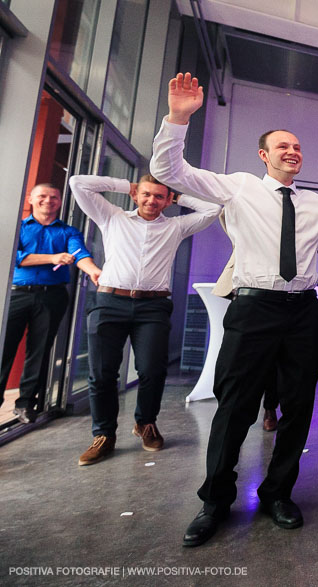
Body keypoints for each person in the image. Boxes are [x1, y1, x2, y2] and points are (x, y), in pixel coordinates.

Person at [150, 73, 318, 547]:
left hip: (301, 313)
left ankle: (278, 493)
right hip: (253, 310)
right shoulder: (238, 186)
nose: (292, 151)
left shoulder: (316, 204)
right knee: (236, 408)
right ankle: (216, 501)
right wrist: (179, 117)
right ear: (264, 155)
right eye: (282, 146)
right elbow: (170, 172)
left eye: (297, 147)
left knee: (299, 409)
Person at [69, 173, 220, 464]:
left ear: (167, 201)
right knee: (102, 373)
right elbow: (78, 183)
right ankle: (104, 435)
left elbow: (212, 210)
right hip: (109, 302)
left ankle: (145, 423)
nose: (152, 200)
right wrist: (125, 185)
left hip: (153, 307)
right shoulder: (112, 216)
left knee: (152, 370)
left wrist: (178, 196)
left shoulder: (176, 227)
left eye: (160, 196)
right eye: (146, 194)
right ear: (136, 195)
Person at [1, 184, 101, 424]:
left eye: (54, 197)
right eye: (43, 196)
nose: (49, 200)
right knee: (4, 349)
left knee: (40, 350)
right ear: (31, 199)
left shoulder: (68, 232)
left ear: (59, 201)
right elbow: (16, 258)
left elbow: (79, 254)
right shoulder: (18, 228)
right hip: (16, 294)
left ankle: (25, 404)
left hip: (52, 296)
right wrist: (53, 258)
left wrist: (95, 272)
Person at [211, 214, 279, 433]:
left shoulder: (285, 232)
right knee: (236, 363)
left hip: (276, 300)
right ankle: (231, 414)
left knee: (272, 361)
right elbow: (221, 213)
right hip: (243, 297)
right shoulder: (243, 224)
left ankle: (269, 408)